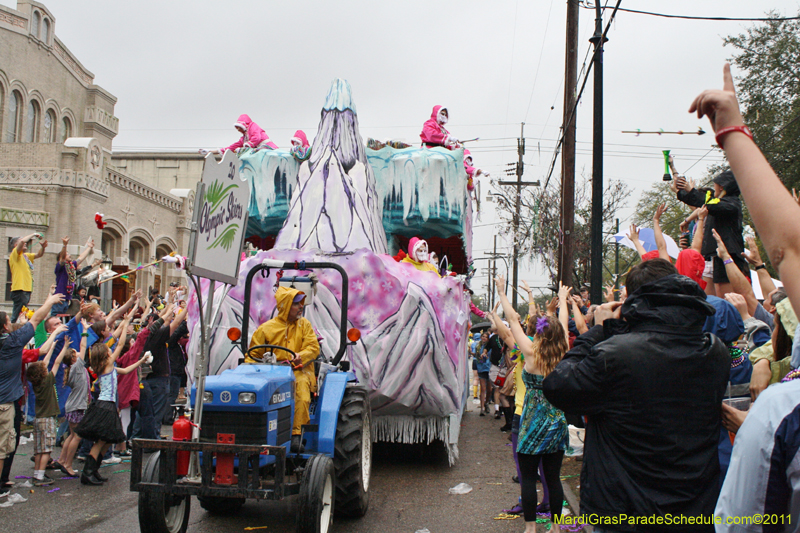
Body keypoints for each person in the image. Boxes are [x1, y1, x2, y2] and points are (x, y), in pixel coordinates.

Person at [543, 259, 729, 530]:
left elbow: (558, 386)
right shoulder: (715, 350)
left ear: (631, 300)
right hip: (693, 507)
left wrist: (600, 330)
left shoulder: (616, 354)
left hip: (626, 511)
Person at [495, 277, 570, 532]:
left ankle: (530, 528)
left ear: (538, 333)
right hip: (556, 422)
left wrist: (502, 292)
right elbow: (562, 325)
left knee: (528, 479)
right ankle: (556, 528)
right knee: (554, 478)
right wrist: (563, 301)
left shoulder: (530, 352)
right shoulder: (563, 351)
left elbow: (512, 321)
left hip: (531, 423)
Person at [0, 291, 63, 493]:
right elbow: (36, 321)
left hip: (8, 400)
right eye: (9, 321)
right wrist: (50, 301)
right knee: (4, 447)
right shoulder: (12, 343)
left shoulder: (13, 343)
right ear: (5, 327)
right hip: (6, 403)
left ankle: (4, 480)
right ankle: (1, 483)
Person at [75, 313, 147, 486]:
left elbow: (127, 370)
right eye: (108, 350)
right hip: (105, 405)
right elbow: (121, 344)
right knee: (101, 441)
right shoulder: (107, 364)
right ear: (105, 355)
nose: (111, 350)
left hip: (108, 405)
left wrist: (142, 360)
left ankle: (94, 469)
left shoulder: (109, 367)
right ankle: (88, 472)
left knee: (108, 440)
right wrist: (126, 322)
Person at [247, 287, 320, 453]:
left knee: (301, 390)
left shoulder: (305, 325)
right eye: (296, 304)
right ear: (285, 306)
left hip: (298, 371)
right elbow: (252, 355)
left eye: (301, 303)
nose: (301, 307)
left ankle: (296, 435)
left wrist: (301, 356)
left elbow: (313, 348)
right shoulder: (265, 329)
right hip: (271, 373)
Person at [27, 336, 72, 486]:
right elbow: (57, 362)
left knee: (39, 450)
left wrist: (52, 347)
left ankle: (37, 473)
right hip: (47, 420)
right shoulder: (48, 380)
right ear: (43, 373)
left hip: (38, 419)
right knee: (46, 450)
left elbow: (44, 363)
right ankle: (40, 477)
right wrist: (64, 347)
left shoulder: (37, 383)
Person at [53, 326, 89, 477]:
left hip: (72, 406)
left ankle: (62, 460)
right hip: (77, 407)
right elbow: (84, 346)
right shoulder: (77, 366)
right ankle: (68, 464)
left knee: (71, 435)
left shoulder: (70, 368)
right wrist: (85, 331)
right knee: (77, 436)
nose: (79, 352)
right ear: (74, 358)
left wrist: (66, 347)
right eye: (76, 353)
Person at [8, 233, 48, 322]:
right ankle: (10, 329)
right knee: (16, 315)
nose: (26, 243)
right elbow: (23, 241)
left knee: (22, 314)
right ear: (16, 245)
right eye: (22, 242)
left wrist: (43, 248)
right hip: (19, 289)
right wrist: (34, 234)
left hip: (26, 289)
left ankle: (16, 327)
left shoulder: (25, 256)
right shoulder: (15, 254)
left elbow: (39, 255)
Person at [52, 236, 94, 316]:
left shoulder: (71, 266)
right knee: (55, 318)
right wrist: (64, 245)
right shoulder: (60, 266)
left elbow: (80, 258)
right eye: (67, 254)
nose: (70, 255)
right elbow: (62, 258)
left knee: (62, 320)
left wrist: (89, 248)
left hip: (67, 299)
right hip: (59, 298)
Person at [201, 114, 278, 156]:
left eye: (239, 128)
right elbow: (232, 147)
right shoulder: (244, 139)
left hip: (268, 149)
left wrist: (248, 145)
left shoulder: (253, 126)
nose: (238, 130)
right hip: (260, 153)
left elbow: (256, 137)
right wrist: (211, 151)